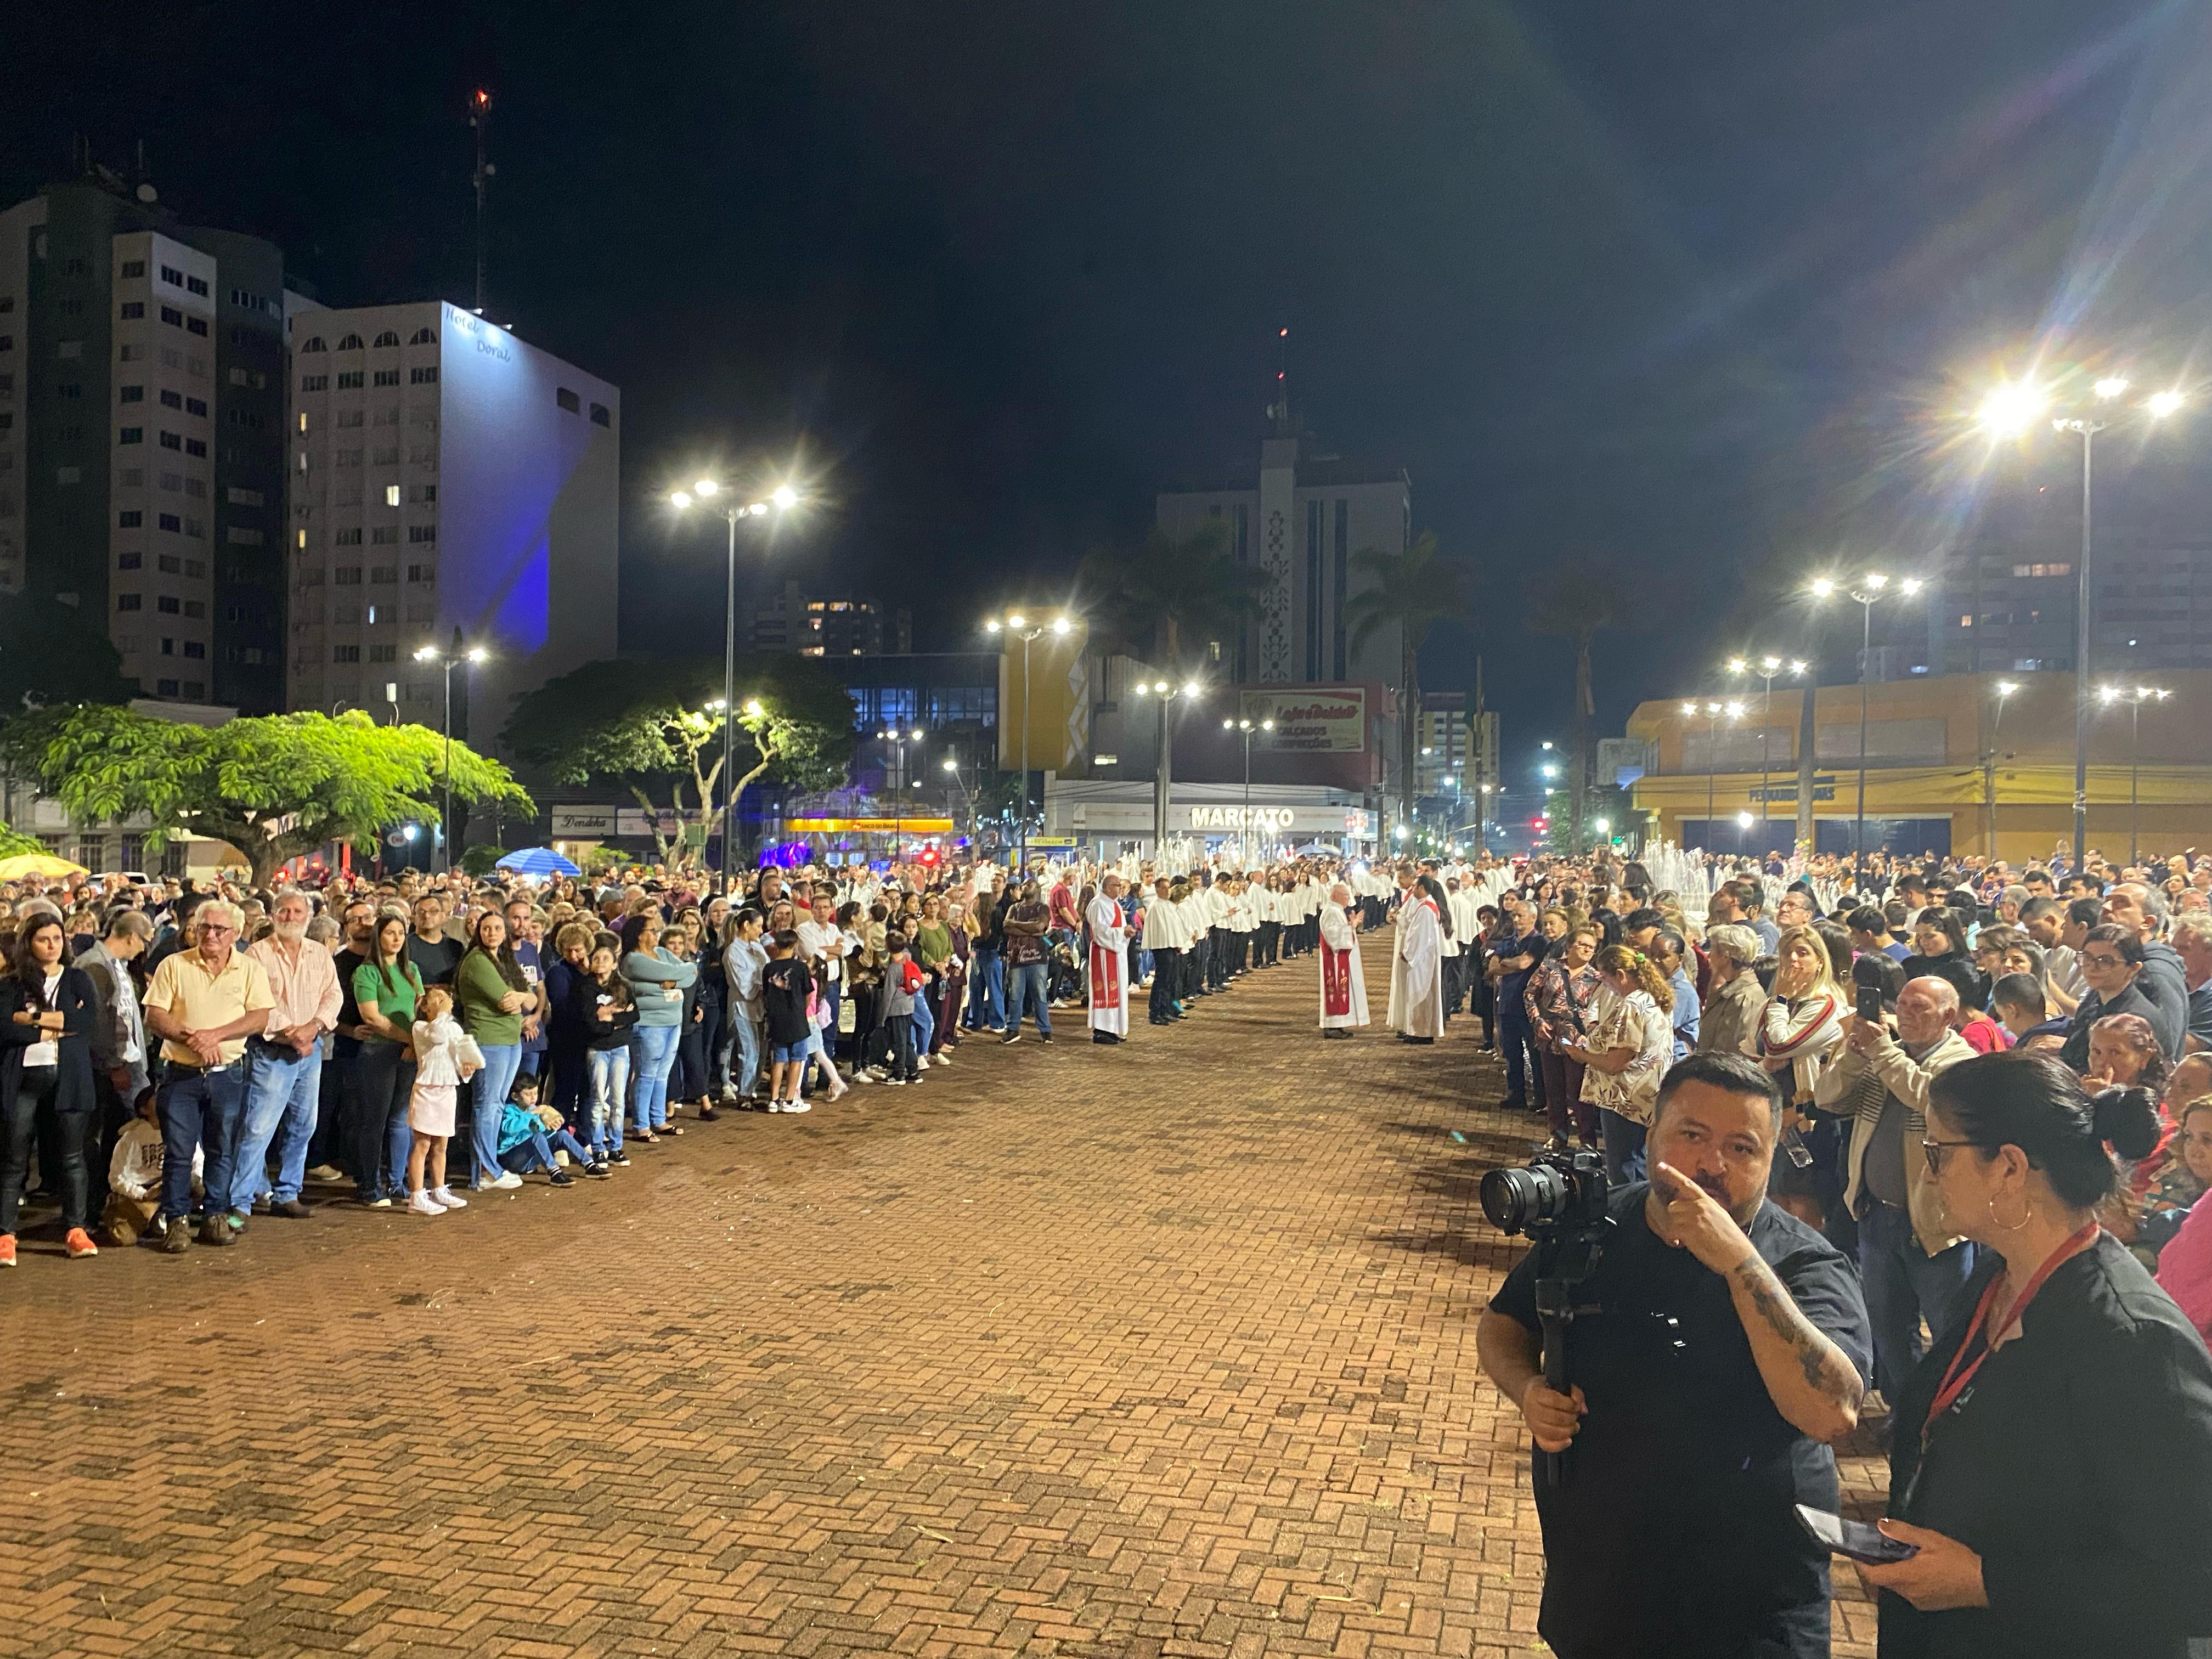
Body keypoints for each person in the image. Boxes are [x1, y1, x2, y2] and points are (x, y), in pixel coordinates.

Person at [1477, 1052, 1872, 1659]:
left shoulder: (1803, 1263)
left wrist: (1739, 1263)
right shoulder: (1599, 1225)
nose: (1712, 1164)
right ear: (1652, 1130)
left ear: (1771, 1158)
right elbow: (1503, 1325)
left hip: (1747, 1611)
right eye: (1692, 1136)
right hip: (1600, 1594)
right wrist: (1528, 1390)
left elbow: (1830, 1414)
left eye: (1742, 1148)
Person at [1863, 1050, 2212, 1657]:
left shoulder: (2132, 1339)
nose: (1928, 1175)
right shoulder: (2000, 1278)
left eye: (1938, 1154)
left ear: (2010, 1168)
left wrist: (1983, 1582)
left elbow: (2191, 1576)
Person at [1814, 976, 1980, 1416]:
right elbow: (1827, 1098)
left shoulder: (1962, 1061)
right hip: (1876, 1215)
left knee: (1949, 1330)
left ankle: (1953, 1418)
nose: (1904, 1013)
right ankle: (1907, 1414)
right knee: (1888, 1330)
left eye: (1919, 1007)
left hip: (1936, 1221)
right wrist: (1854, 1054)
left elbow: (1933, 1104)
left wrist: (1883, 1053)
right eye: (1901, 1004)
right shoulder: (1884, 1054)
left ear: (1948, 1016)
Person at [144, 901, 275, 1251]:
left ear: (235, 934)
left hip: (227, 1074)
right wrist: (193, 1039)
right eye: (205, 928)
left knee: (223, 1149)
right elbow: (155, 1015)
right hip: (180, 1075)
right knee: (178, 1152)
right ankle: (176, 1220)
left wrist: (215, 1036)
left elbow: (259, 1018)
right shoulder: (174, 965)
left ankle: (216, 1215)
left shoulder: (249, 969)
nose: (211, 935)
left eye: (219, 929)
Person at [228, 889, 341, 1228]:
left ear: (308, 916)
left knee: (303, 1126)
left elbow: (333, 994)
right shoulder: (256, 955)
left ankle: (287, 1193)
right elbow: (254, 1002)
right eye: (284, 911)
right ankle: (241, 1203)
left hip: (311, 1051)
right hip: (272, 1052)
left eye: (296, 911)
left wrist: (315, 1027)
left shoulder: (320, 953)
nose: (290, 917)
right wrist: (293, 1032)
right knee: (258, 1128)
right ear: (273, 915)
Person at [0, 912, 102, 1265]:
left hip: (70, 1076)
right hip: (23, 1078)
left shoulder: (78, 979)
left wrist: (30, 1018)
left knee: (72, 1157)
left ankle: (75, 1229)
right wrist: (55, 1024)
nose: (52, 945)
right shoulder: (12, 984)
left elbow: (87, 1022)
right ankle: (5, 1234)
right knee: (14, 1159)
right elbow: (4, 1028)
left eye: (57, 939)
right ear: (29, 943)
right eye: (43, 939)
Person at [1566, 944, 1674, 1187]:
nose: (1606, 986)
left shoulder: (1632, 1005)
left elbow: (1616, 1062)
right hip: (1647, 1095)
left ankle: (1627, 1219)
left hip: (1625, 1100)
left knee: (1623, 1168)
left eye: (1606, 979)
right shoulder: (1654, 998)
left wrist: (1582, 1056)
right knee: (1639, 1162)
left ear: (1621, 976)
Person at [350, 910, 424, 1211]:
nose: (396, 939)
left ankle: (397, 1180)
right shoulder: (367, 972)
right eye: (390, 933)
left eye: (401, 933)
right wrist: (407, 1038)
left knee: (400, 1119)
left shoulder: (411, 969)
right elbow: (371, 1015)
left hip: (408, 1052)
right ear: (379, 937)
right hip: (379, 1052)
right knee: (375, 1120)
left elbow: (420, 1006)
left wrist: (417, 1040)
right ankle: (369, 1184)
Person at [455, 909, 533, 1188]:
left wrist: (523, 996)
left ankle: (489, 1168)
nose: (492, 933)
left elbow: (531, 999)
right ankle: (485, 1173)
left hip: (510, 1040)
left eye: (498, 928)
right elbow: (504, 1000)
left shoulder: (504, 958)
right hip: (489, 1040)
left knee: (497, 1105)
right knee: (486, 1106)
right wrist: (521, 997)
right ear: (479, 932)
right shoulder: (477, 960)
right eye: (486, 928)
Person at [405, 986, 482, 1216]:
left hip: (448, 1089)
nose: (442, 1001)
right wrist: (443, 1014)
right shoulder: (421, 1028)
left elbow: (459, 1057)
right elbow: (437, 1038)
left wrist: (467, 1069)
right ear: (425, 1007)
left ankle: (439, 1188)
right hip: (427, 1090)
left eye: (444, 998)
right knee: (423, 1144)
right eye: (435, 999)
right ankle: (417, 1195)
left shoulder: (453, 1027)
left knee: (442, 1144)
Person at [759, 929, 814, 1113]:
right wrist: (802, 1010)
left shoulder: (769, 968)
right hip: (796, 1018)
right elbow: (808, 992)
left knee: (779, 1060)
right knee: (797, 1059)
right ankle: (789, 1099)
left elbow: (765, 995)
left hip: (777, 1018)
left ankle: (774, 1099)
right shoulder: (800, 968)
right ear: (795, 945)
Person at [1387, 866, 1444, 1044]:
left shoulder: (1427, 909)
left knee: (1421, 994)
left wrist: (1407, 953)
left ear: (1421, 888)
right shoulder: (1425, 906)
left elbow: (1420, 936)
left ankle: (1421, 1032)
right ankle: (1416, 1029)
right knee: (1417, 993)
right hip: (1421, 959)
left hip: (1422, 961)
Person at [1699, 924, 1767, 1058]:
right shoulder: (1729, 990)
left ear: (1725, 956)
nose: (1709, 956)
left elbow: (1734, 1053)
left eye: (1713, 950)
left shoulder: (1746, 998)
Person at [1000, 879, 1053, 1044]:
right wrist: (1030, 930)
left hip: (1037, 958)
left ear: (1036, 889)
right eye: (1023, 885)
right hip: (1016, 958)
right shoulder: (1014, 908)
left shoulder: (1042, 908)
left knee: (1040, 995)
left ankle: (1045, 1030)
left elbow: (1040, 926)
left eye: (1028, 885)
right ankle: (1013, 1029)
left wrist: (1018, 927)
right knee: (1015, 995)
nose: (1024, 887)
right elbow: (1006, 927)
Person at [1317, 881, 1369, 1038]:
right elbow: (1334, 937)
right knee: (1335, 990)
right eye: (1346, 895)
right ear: (1335, 896)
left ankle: (1338, 1024)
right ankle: (1331, 1026)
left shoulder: (1337, 910)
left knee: (1342, 991)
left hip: (1340, 959)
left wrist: (1351, 925)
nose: (1349, 898)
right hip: (1333, 961)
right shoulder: (1331, 911)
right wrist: (1351, 926)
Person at [1086, 874, 1131, 1044]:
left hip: (1116, 953)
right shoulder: (1098, 904)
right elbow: (1100, 932)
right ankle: (1101, 1030)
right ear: (1106, 887)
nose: (1120, 888)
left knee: (1116, 991)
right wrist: (1122, 932)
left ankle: (1111, 1028)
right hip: (1103, 954)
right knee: (1105, 991)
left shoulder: (1115, 904)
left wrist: (1126, 932)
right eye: (1116, 885)